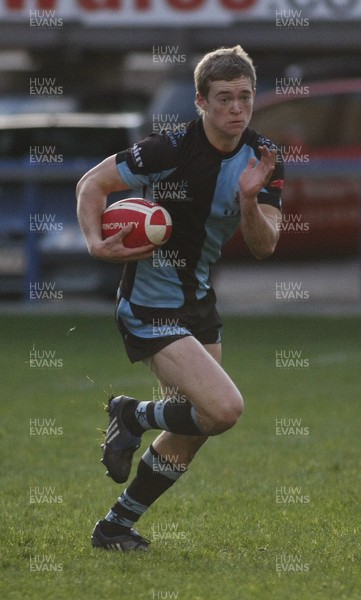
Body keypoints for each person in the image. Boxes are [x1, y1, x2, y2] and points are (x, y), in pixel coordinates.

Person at [76, 45, 284, 551]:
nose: (237, 108)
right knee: (224, 409)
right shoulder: (169, 149)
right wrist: (95, 243)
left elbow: (265, 245)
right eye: (224, 98)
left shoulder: (262, 159)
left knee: (195, 428)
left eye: (245, 97)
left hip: (199, 304)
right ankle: (132, 414)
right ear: (200, 101)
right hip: (148, 306)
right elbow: (92, 184)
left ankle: (115, 526)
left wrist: (251, 200)